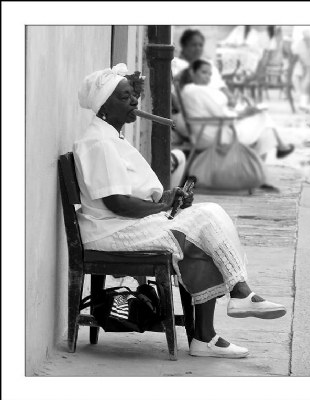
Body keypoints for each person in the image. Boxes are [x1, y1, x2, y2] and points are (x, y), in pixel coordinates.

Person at [73, 62, 287, 359]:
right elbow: (117, 203)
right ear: (103, 108)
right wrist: (162, 207)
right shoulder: (98, 142)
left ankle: (205, 337)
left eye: (132, 95)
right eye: (124, 97)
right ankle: (239, 293)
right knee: (204, 217)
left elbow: (131, 191)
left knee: (205, 227)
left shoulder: (112, 136)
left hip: (124, 223)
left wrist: (168, 197)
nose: (134, 101)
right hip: (110, 230)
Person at [172, 29, 294, 160]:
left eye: (200, 45)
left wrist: (231, 100)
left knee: (261, 118)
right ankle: (255, 165)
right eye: (193, 45)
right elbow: (220, 114)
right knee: (263, 120)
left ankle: (256, 164)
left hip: (215, 114)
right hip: (208, 121)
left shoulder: (205, 68)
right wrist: (241, 114)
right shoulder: (183, 73)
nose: (197, 48)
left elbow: (221, 89)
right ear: (184, 46)